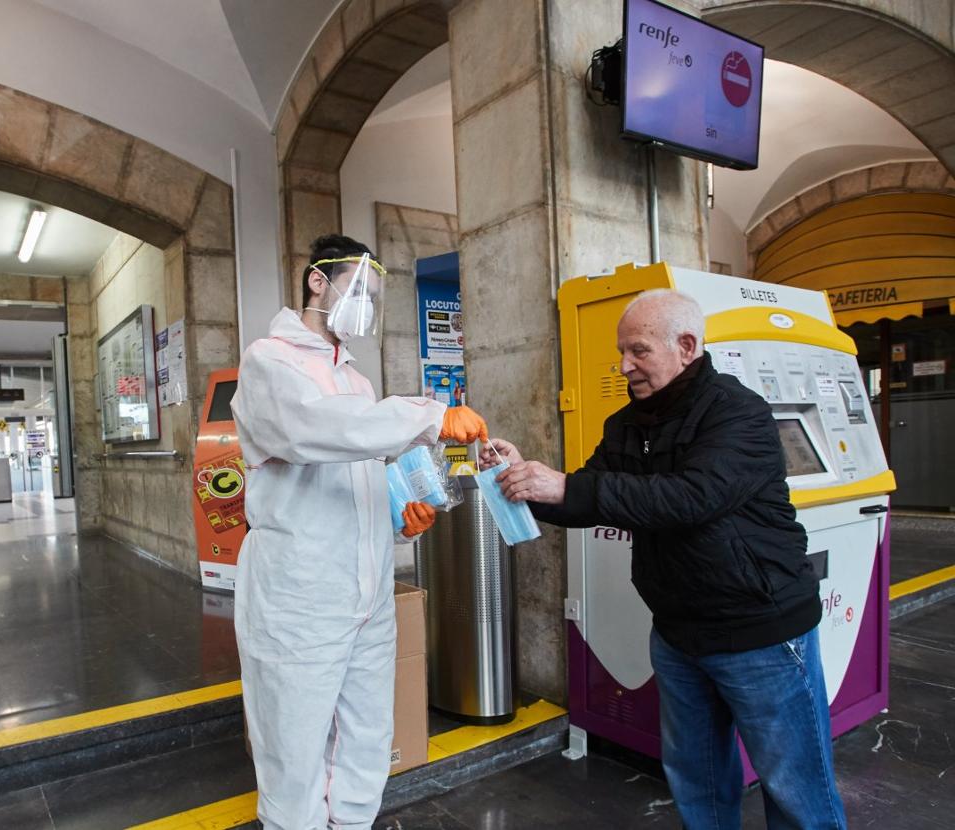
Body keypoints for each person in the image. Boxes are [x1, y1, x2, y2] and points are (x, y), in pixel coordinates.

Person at [481, 289, 846, 829]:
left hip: (762, 634)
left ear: (686, 346)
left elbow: (691, 499)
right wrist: (527, 483)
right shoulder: (627, 424)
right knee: (696, 780)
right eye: (622, 352)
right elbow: (585, 494)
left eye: (639, 351)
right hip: (678, 634)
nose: (625, 365)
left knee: (795, 787)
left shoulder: (738, 412)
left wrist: (565, 488)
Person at [231, 234, 489, 829]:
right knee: (292, 750)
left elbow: (360, 463)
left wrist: (398, 517)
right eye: (359, 291)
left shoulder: (356, 378)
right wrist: (429, 415)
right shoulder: (269, 359)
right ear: (317, 282)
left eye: (375, 298)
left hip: (366, 595)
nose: (366, 308)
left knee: (366, 739)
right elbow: (317, 430)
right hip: (301, 598)